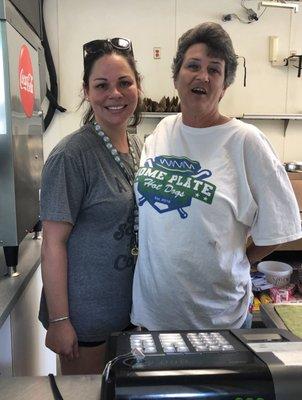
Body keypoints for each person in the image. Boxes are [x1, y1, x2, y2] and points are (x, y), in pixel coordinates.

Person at [131, 22, 302, 331]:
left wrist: (240, 260)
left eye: (215, 69)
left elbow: (283, 226)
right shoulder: (161, 132)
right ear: (176, 77)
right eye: (193, 65)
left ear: (224, 86)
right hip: (153, 312)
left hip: (217, 318)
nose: (202, 76)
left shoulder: (246, 141)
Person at [39, 37, 142, 374]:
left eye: (124, 82)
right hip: (84, 319)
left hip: (130, 312)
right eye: (102, 85)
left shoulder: (140, 147)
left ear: (138, 86)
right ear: (86, 91)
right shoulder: (72, 156)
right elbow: (53, 243)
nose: (115, 94)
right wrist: (59, 321)